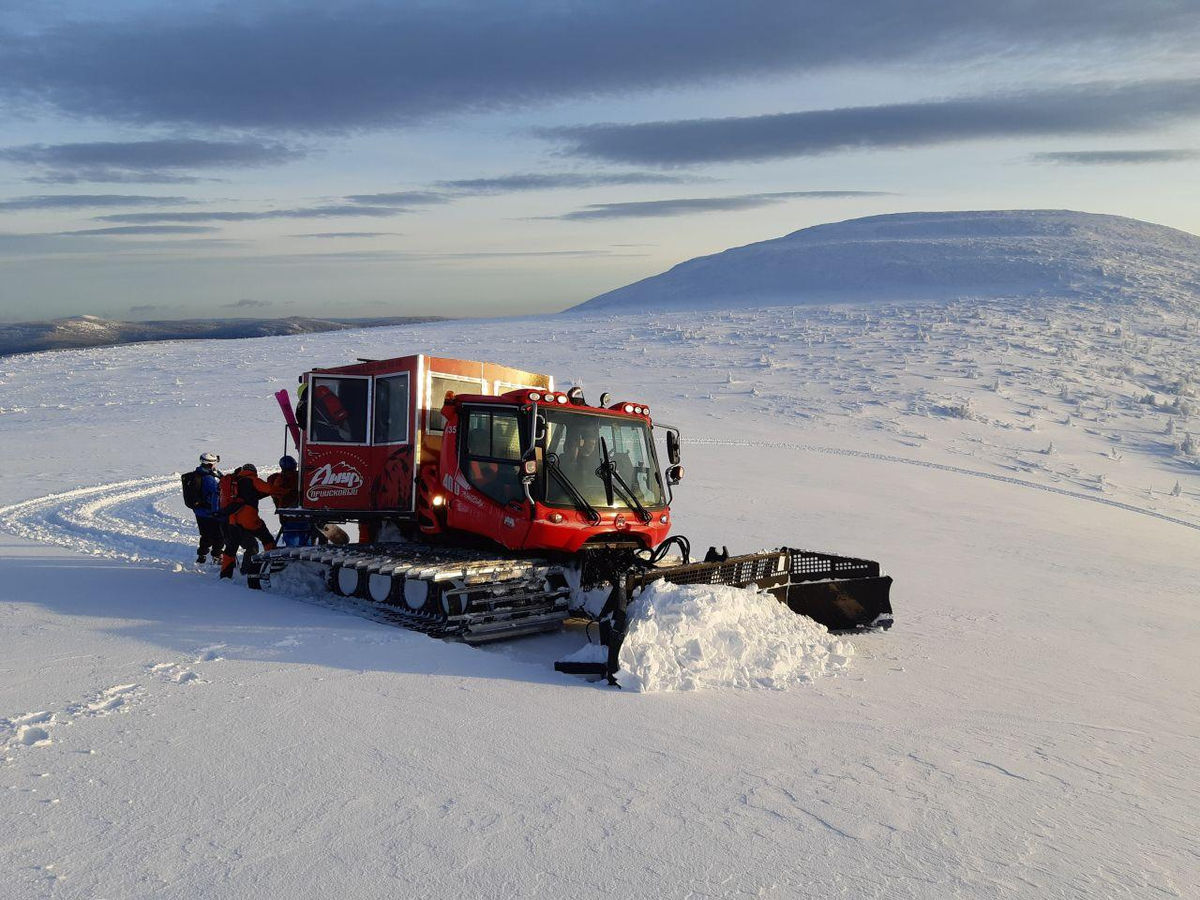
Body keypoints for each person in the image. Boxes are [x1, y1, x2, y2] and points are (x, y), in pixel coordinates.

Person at [218, 463, 285, 579]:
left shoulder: (234, 482)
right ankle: (274, 563)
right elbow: (270, 489)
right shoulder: (252, 480)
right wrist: (287, 491)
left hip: (233, 520)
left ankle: (225, 575)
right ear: (253, 471)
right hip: (248, 519)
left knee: (231, 548)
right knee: (266, 537)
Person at [267, 456, 307, 546]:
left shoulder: (277, 480)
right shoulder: (299, 477)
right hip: (302, 515)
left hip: (286, 516)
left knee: (292, 540)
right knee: (304, 539)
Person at [192, 452, 224, 564]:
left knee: (205, 534)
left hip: (200, 511)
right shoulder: (209, 478)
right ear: (211, 464)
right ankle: (217, 555)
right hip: (210, 511)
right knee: (219, 535)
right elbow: (216, 494)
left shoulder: (199, 473)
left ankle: (202, 555)